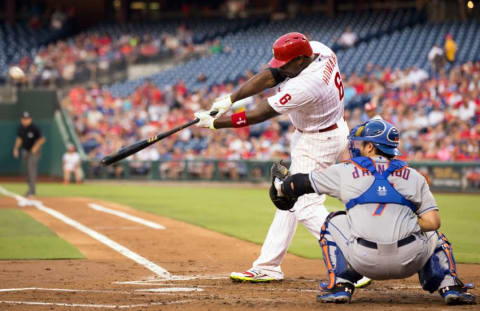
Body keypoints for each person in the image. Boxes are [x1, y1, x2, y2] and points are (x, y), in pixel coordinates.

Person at [194, 32, 370, 287]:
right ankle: (268, 266)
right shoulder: (317, 50)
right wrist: (231, 99)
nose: (281, 68)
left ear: (299, 60)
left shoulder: (307, 85)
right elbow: (271, 74)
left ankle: (356, 263)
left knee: (305, 206)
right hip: (324, 131)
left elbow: (259, 114)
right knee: (286, 197)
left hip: (318, 142)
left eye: (286, 64)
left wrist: (214, 123)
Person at [270, 119, 476, 305]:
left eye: (361, 143)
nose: (357, 147)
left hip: (364, 260)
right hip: (409, 260)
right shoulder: (414, 176)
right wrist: (408, 224)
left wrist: (281, 186)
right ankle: (450, 285)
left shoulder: (345, 171)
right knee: (435, 235)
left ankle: (340, 286)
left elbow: (300, 183)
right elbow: (433, 221)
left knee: (333, 220)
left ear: (370, 147)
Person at [13, 111, 45, 197]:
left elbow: (42, 139)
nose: (25, 120)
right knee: (27, 171)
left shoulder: (34, 128)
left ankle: (32, 191)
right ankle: (30, 190)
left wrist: (35, 147)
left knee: (31, 169)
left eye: (27, 119)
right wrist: (16, 148)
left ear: (30, 119)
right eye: (24, 119)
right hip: (25, 150)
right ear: (21, 119)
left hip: (34, 151)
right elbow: (19, 139)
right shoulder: (21, 128)